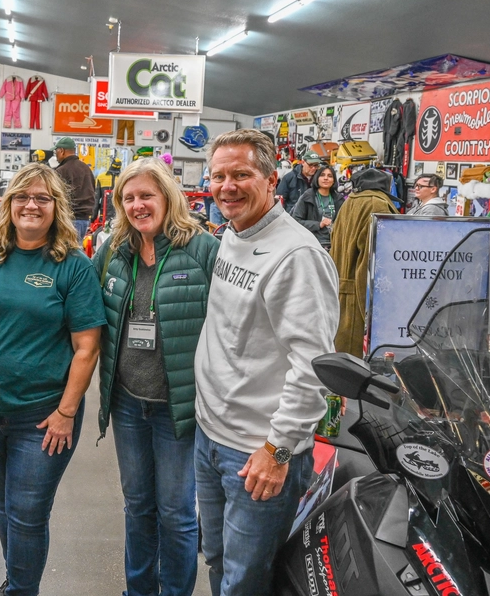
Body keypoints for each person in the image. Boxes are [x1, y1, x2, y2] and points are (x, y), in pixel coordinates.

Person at [196, 130, 340, 596]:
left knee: (246, 579)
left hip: (258, 452)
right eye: (218, 176)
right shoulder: (232, 235)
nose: (227, 186)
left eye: (241, 174)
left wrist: (277, 450)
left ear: (271, 179)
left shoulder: (297, 254)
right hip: (212, 437)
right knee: (218, 559)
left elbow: (313, 367)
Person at [0, 163, 106, 596]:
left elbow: (87, 347)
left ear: (56, 207)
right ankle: (17, 581)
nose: (31, 205)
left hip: (43, 416)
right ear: (7, 205)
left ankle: (22, 591)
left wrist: (66, 412)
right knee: (5, 506)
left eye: (42, 198)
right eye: (22, 197)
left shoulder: (72, 265)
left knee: (27, 512)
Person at [92, 158, 219, 596]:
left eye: (146, 195)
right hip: (127, 402)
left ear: (168, 197)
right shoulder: (112, 250)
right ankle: (138, 590)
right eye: (128, 198)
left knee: (177, 513)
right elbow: (80, 303)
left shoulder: (202, 249)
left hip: (177, 407)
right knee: (138, 507)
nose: (138, 205)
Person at [330, 168, 398, 357]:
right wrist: (373, 316)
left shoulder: (350, 202)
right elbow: (369, 266)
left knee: (343, 364)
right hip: (358, 305)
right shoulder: (377, 205)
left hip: (342, 297)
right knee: (357, 370)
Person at [291, 166, 345, 250]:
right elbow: (295, 221)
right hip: (312, 244)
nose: (326, 178)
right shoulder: (307, 196)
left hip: (335, 245)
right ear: (317, 178)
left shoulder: (339, 199)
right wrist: (319, 224)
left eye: (330, 176)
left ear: (334, 180)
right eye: (322, 175)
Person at [53, 137, 97, 238]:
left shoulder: (61, 171)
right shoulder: (86, 169)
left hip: (67, 219)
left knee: (64, 250)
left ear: (62, 151)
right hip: (84, 220)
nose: (56, 156)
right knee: (75, 250)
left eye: (56, 152)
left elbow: (55, 195)